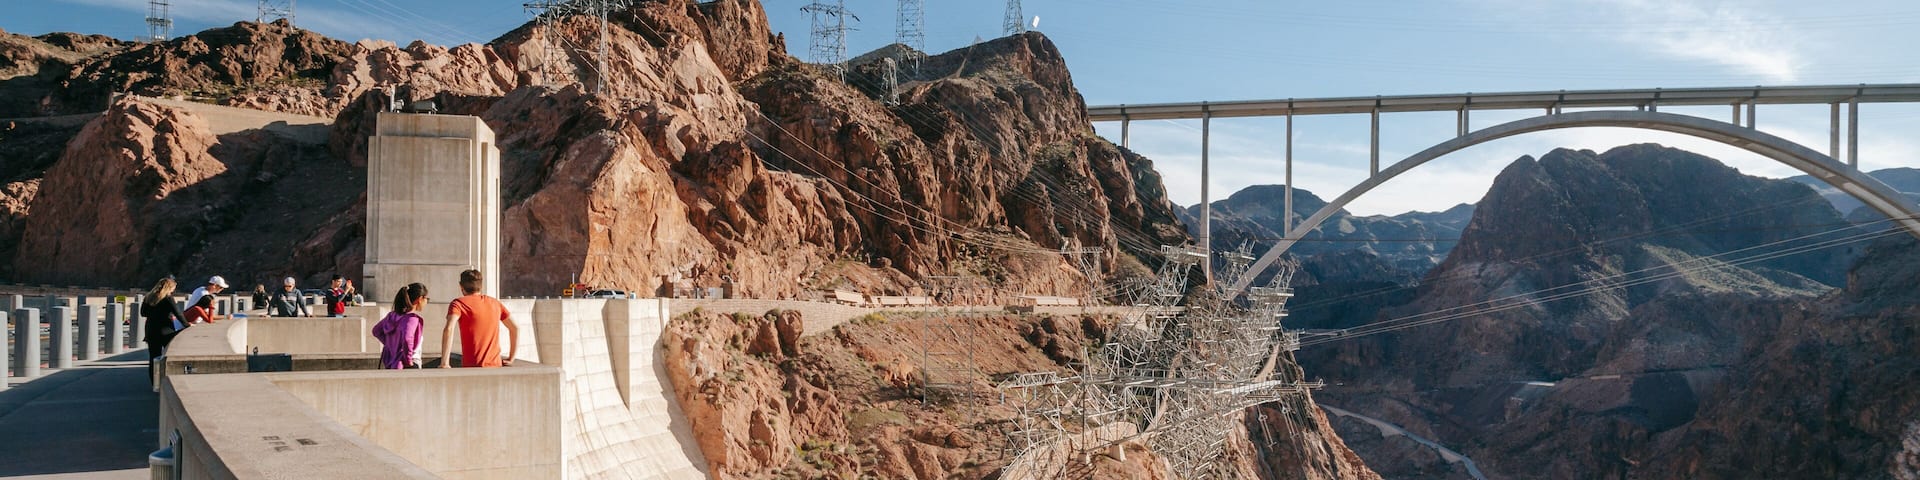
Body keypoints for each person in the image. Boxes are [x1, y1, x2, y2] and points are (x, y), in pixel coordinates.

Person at [439, 269, 518, 368]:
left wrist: (445, 363)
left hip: (472, 366)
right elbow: (515, 328)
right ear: (480, 286)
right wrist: (511, 358)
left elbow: (449, 329)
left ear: (461, 286)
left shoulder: (458, 304)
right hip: (496, 366)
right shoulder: (495, 303)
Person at [140, 277, 185, 386]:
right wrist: (187, 325)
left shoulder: (148, 297)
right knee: (169, 356)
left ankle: (155, 384)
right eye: (173, 288)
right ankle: (168, 381)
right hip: (166, 331)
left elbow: (143, 313)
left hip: (151, 330)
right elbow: (178, 314)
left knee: (153, 357)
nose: (173, 291)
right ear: (169, 288)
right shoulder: (168, 298)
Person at [372, 283, 428, 369]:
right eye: (427, 298)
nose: (427, 301)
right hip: (408, 363)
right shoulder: (412, 319)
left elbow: (376, 331)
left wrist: (391, 345)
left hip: (391, 362)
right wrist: (408, 361)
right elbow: (407, 339)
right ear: (420, 299)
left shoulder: (392, 316)